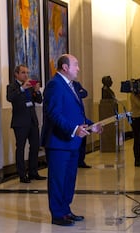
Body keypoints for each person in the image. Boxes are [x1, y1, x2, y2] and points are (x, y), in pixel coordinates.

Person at [41, 54, 103, 226]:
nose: (79, 68)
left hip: (71, 143)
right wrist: (74, 130)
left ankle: (66, 210)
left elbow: (76, 114)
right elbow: (54, 113)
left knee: (69, 179)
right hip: (58, 143)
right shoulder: (54, 85)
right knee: (58, 180)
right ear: (65, 67)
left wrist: (91, 125)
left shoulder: (71, 85)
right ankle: (58, 215)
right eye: (76, 65)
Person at [7, 64, 45, 183]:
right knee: (21, 148)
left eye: (27, 73)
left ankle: (33, 172)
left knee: (34, 147)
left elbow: (39, 101)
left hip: (32, 121)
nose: (26, 75)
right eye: (23, 72)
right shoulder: (12, 87)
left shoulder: (30, 86)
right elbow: (10, 98)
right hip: (20, 123)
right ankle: (22, 175)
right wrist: (22, 88)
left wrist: (37, 91)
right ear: (16, 74)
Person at [73, 81, 91, 168]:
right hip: (74, 117)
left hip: (81, 115)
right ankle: (75, 160)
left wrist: (77, 94)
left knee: (83, 141)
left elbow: (85, 93)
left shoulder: (76, 84)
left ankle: (81, 160)